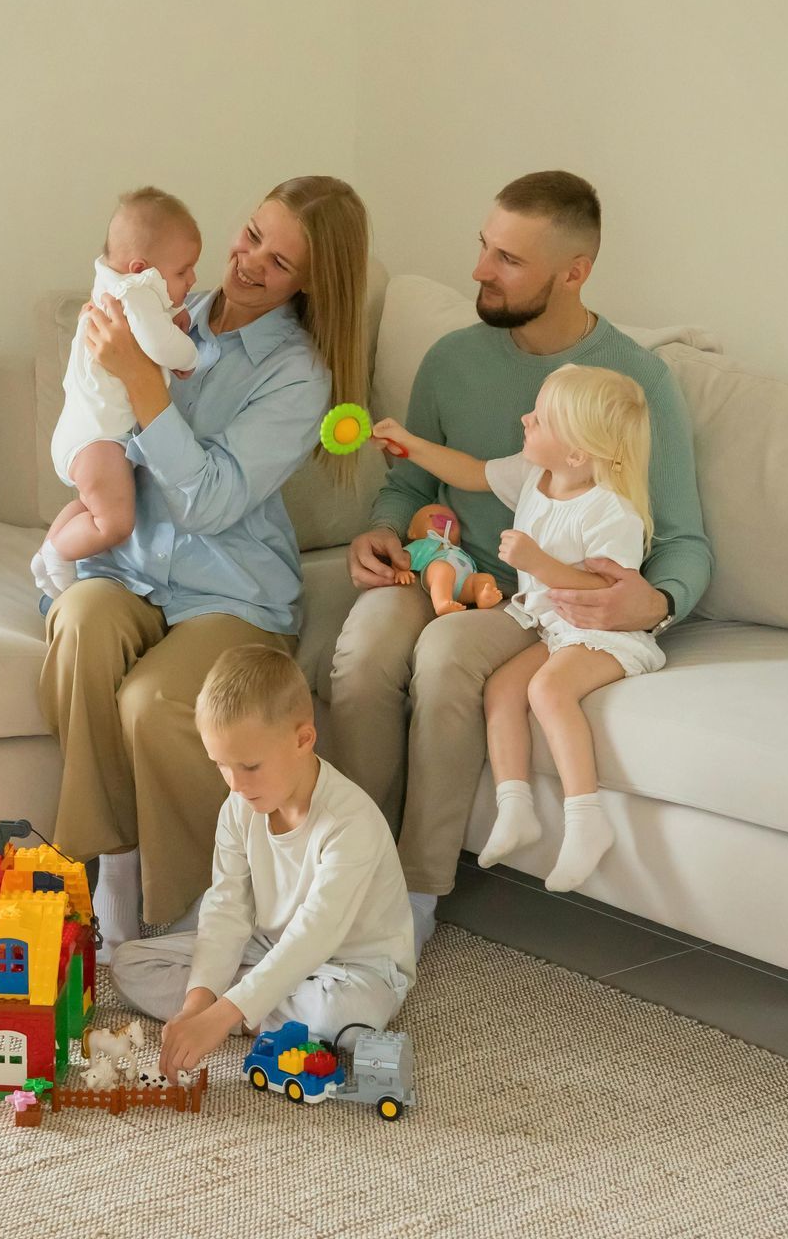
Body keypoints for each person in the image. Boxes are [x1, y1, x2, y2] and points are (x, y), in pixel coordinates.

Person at [326, 170, 711, 945]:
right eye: (483, 247)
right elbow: (411, 481)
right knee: (362, 654)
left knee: (445, 661)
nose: (479, 271)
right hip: (440, 563)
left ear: (575, 272)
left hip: (539, 596)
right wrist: (382, 526)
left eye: (508, 259)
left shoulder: (635, 384)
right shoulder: (450, 359)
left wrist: (657, 600)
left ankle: (416, 893)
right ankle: (346, 868)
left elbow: (683, 539)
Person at [39, 176, 371, 948]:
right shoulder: (168, 310)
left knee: (155, 703)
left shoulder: (298, 374)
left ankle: (195, 912)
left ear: (312, 283)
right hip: (128, 568)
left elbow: (213, 502)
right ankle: (110, 873)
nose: (250, 263)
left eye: (281, 262)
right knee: (80, 624)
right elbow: (101, 434)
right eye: (254, 234)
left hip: (230, 592)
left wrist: (146, 387)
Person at [371, 365, 663, 892]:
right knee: (503, 687)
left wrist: (538, 560)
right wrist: (409, 444)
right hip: (553, 627)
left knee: (547, 689)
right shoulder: (536, 477)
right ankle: (515, 807)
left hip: (604, 634)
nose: (525, 418)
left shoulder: (610, 512)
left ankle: (585, 821)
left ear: (576, 453)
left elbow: (605, 593)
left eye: (542, 417)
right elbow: (470, 471)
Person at [112, 645, 416, 1077]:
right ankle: (251, 1004)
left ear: (303, 739)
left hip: (352, 968)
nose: (235, 784)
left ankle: (241, 1007)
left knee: (342, 1021)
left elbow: (315, 935)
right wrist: (195, 1006)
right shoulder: (239, 806)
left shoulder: (350, 823)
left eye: (250, 766)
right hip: (268, 945)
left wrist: (219, 1018)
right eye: (221, 765)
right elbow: (227, 909)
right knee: (129, 966)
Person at [31, 188, 203, 597]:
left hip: (87, 435)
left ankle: (47, 553)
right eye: (183, 272)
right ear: (142, 268)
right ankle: (58, 552)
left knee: (96, 508)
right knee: (115, 524)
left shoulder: (114, 288)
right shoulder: (134, 292)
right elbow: (163, 348)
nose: (193, 280)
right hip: (98, 441)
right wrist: (189, 355)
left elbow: (146, 344)